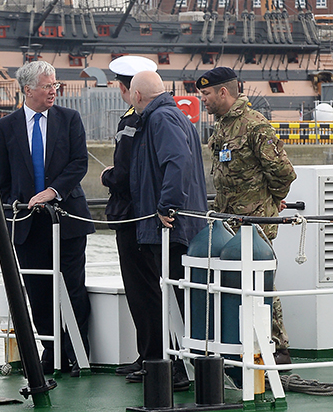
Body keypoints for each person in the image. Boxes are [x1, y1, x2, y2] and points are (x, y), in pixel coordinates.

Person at [0, 61, 95, 376]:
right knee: (37, 290)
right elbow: (2, 178)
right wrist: (15, 206)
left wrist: (52, 192)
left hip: (67, 218)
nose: (54, 91)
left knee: (73, 286)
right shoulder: (5, 127)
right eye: (47, 86)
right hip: (27, 224)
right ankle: (50, 352)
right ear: (28, 89)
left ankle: (77, 353)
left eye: (55, 85)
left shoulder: (69, 119)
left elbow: (79, 163)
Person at [196, 66, 296, 363]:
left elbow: (283, 173)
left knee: (262, 283)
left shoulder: (255, 125)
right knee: (236, 284)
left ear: (223, 92)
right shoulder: (222, 127)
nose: (203, 100)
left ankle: (278, 348)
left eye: (206, 94)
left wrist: (273, 199)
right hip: (229, 220)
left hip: (255, 221)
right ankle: (241, 343)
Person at [126, 70, 208, 391]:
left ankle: (180, 369)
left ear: (137, 96)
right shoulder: (172, 116)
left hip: (171, 228)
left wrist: (166, 207)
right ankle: (181, 365)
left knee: (174, 296)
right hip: (178, 226)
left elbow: (177, 161)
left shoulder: (160, 119)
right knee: (175, 295)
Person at [100, 56, 160, 378]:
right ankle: (152, 355)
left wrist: (107, 177)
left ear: (125, 88)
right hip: (148, 216)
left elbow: (124, 174)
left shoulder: (130, 122)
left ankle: (151, 357)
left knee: (142, 289)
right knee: (152, 288)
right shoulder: (155, 118)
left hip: (132, 218)